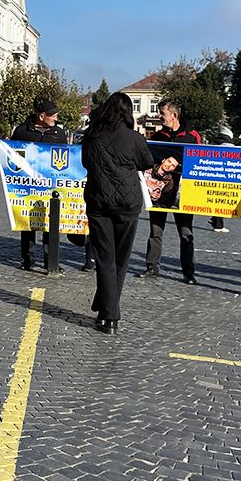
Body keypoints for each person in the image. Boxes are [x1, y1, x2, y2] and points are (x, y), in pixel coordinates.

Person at [81, 92, 154, 335]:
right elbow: (147, 162)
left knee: (105, 259)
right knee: (119, 259)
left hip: (99, 201)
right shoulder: (135, 138)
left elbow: (85, 163)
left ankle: (106, 311)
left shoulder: (92, 135)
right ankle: (110, 314)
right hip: (127, 203)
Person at [138, 100, 202, 284]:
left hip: (184, 193)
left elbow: (199, 160)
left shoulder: (192, 136)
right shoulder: (158, 136)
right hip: (159, 192)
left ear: (173, 115)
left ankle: (188, 272)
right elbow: (148, 161)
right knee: (155, 232)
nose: (160, 117)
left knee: (186, 233)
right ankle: (151, 267)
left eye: (162, 114)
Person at [11, 100, 68, 270]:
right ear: (42, 116)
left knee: (51, 222)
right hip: (28, 185)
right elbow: (12, 154)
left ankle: (50, 260)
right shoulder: (22, 131)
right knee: (28, 222)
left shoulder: (59, 133)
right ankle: (27, 259)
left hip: (51, 187)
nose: (56, 118)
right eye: (53, 115)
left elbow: (66, 155)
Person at [207, 128, 236, 233]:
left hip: (212, 176)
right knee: (221, 201)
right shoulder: (230, 146)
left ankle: (215, 220)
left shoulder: (212, 144)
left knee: (215, 200)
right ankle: (218, 225)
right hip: (224, 176)